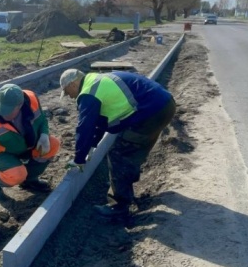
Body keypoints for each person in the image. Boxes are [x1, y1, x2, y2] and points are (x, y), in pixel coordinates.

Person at [60, 68, 176, 218]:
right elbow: (99, 122)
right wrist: (91, 146)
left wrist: (79, 159)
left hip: (150, 114)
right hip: (164, 106)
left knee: (118, 156)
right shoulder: (98, 81)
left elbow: (85, 127)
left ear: (73, 84)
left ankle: (119, 206)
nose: (69, 96)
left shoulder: (88, 93)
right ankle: (127, 188)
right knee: (132, 151)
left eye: (67, 92)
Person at [0, 83, 61, 212]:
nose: (3, 115)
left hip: (25, 145)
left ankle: (29, 181)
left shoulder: (31, 100)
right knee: (16, 174)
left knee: (53, 144)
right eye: (1, 110)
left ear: (20, 105)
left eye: (8, 111)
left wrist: (44, 133)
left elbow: (42, 119)